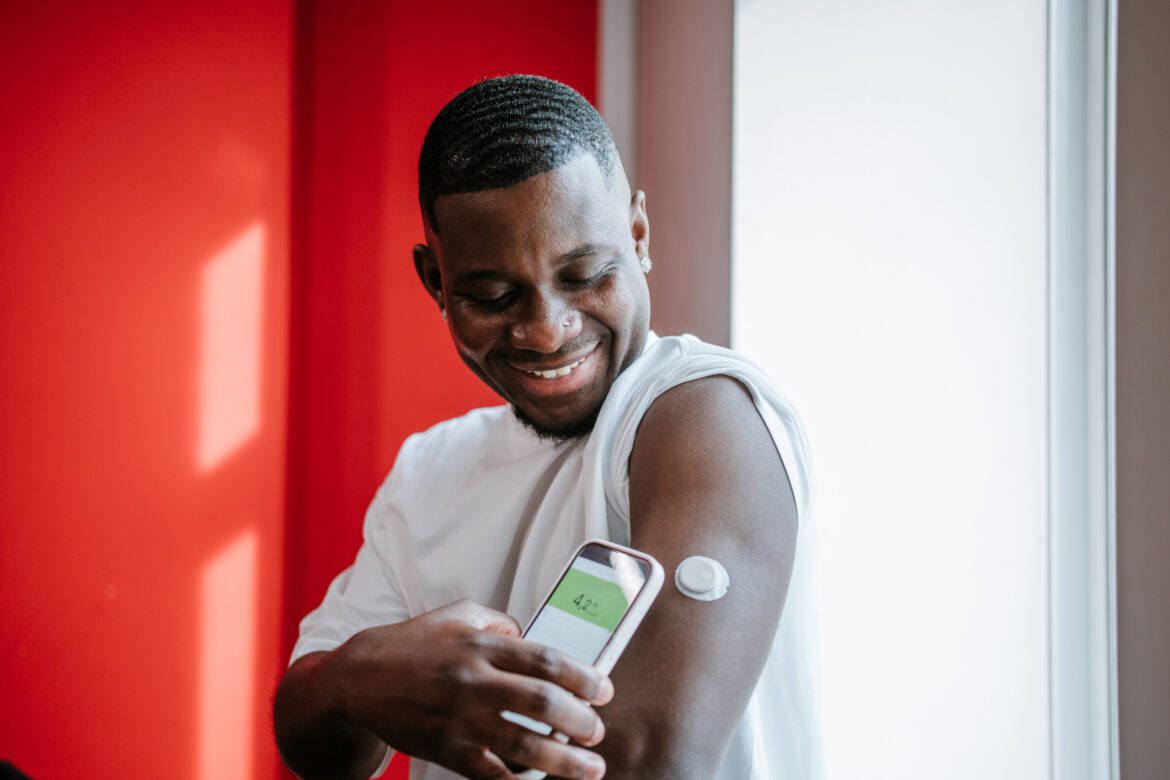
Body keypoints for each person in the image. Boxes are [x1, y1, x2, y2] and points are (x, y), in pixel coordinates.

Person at [273, 75, 820, 780]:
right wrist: (356, 677)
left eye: (586, 274)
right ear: (436, 283)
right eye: (493, 295)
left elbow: (655, 761)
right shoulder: (429, 470)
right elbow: (319, 746)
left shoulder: (700, 413)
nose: (545, 331)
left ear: (639, 234)